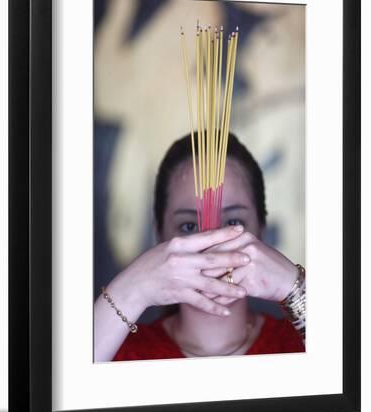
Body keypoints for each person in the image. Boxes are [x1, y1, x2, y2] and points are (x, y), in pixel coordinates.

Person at [94, 132, 306, 362]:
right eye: (188, 226)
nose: (213, 248)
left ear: (261, 230)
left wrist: (293, 285)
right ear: (160, 235)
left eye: (233, 223)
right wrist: (130, 290)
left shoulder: (298, 343)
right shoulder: (118, 352)